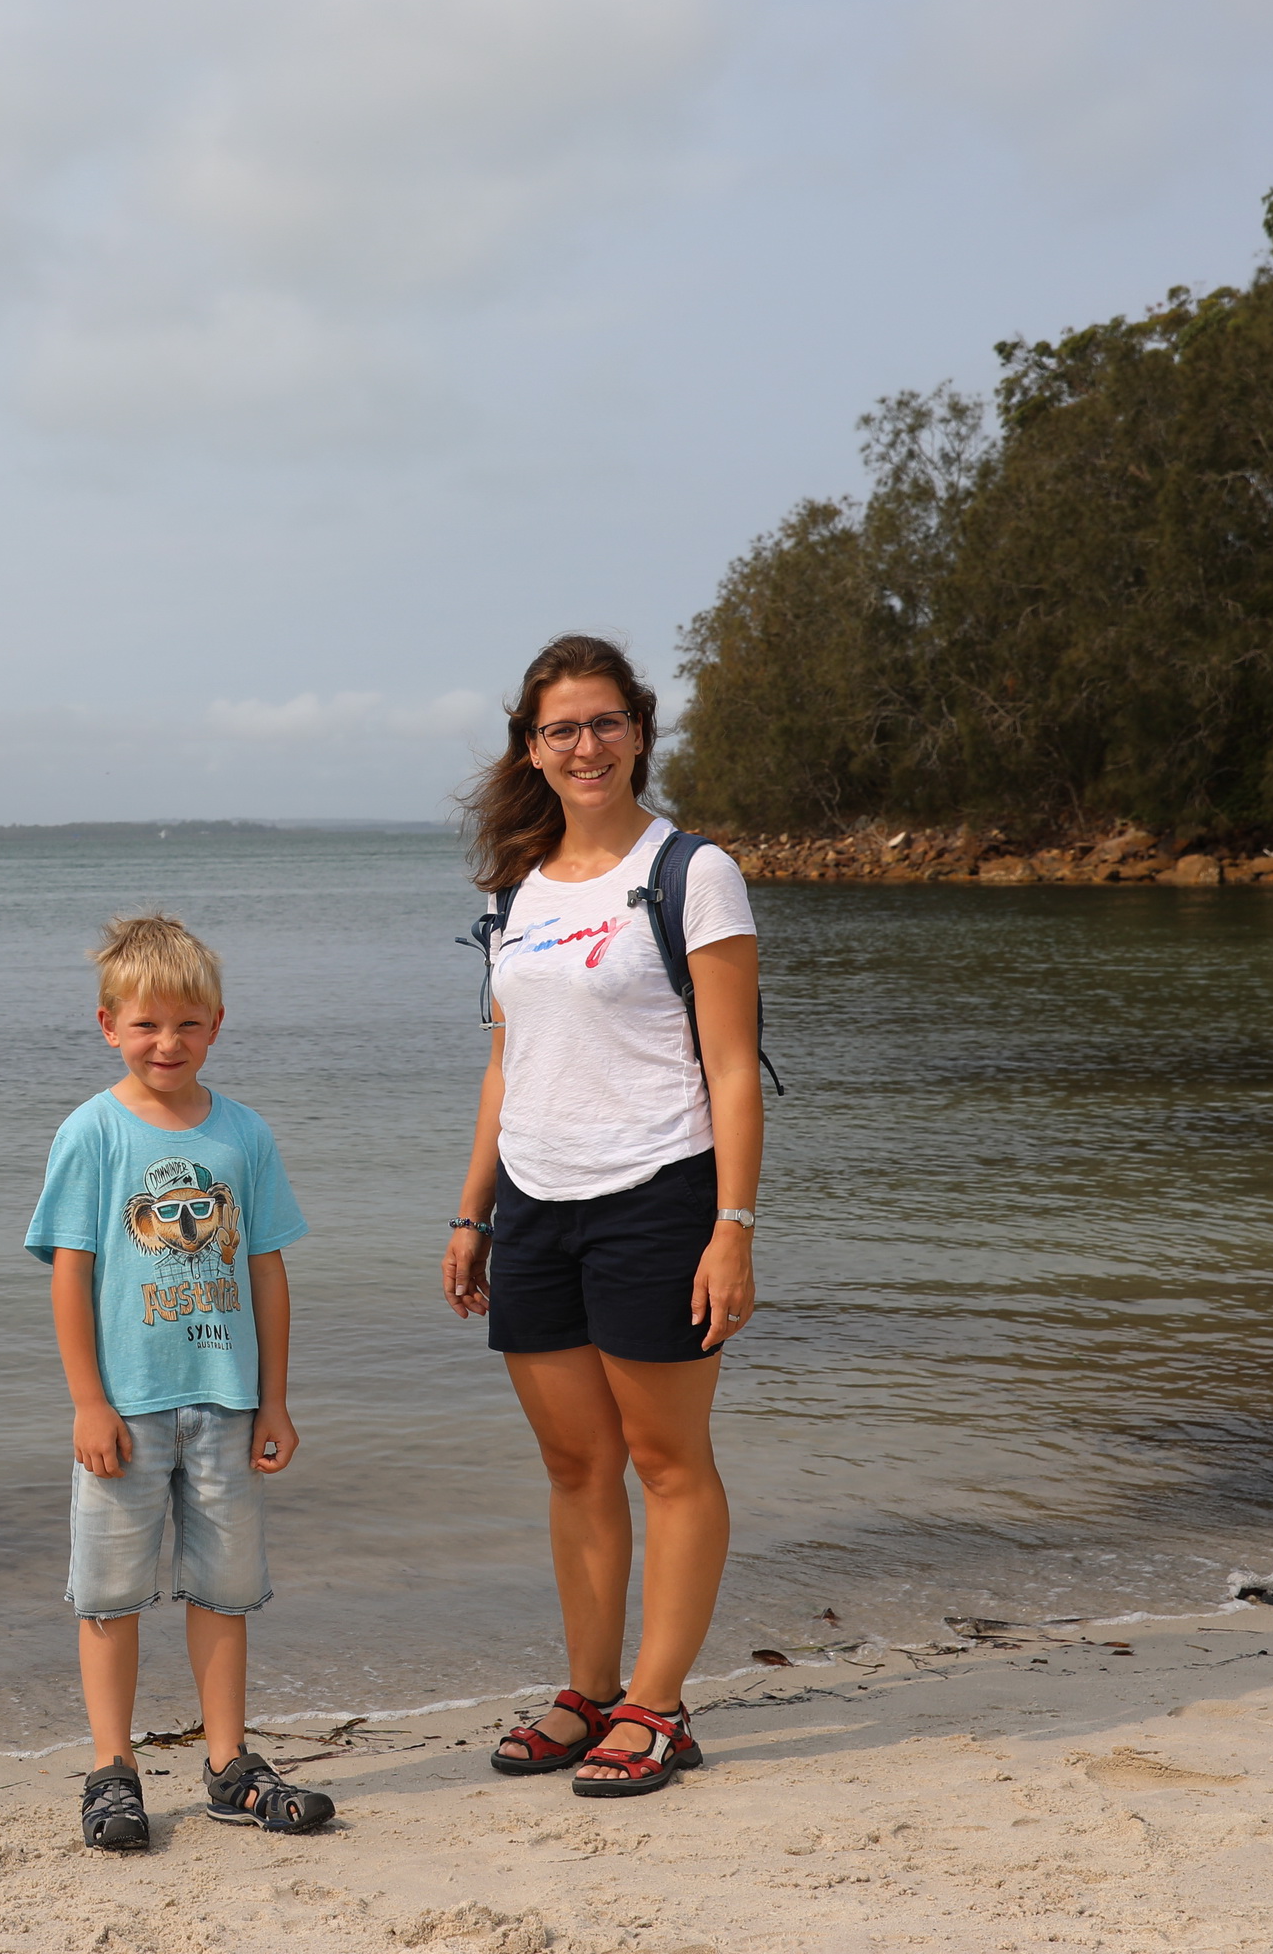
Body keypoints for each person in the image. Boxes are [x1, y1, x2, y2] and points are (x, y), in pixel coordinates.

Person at [440, 634, 763, 1799]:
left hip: (658, 1195)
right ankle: (589, 1693)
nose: (585, 745)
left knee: (668, 1461)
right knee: (576, 1463)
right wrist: (472, 1212)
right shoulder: (514, 887)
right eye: (561, 728)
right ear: (532, 747)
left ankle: (660, 1704)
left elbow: (731, 1066)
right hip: (534, 1200)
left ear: (639, 731)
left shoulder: (691, 871)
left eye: (605, 722)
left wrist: (734, 1222)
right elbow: (503, 1062)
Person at [27, 912, 335, 1852]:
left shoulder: (244, 1135)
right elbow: (71, 1274)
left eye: (188, 1024)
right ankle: (111, 1771)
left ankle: (229, 1763)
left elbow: (269, 1273)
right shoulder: (91, 1133)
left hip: (228, 1403)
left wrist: (274, 1398)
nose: (168, 1043)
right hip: (125, 1408)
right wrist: (88, 1400)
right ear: (108, 1025)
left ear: (218, 1024)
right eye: (147, 1024)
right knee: (109, 1595)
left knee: (224, 1590)